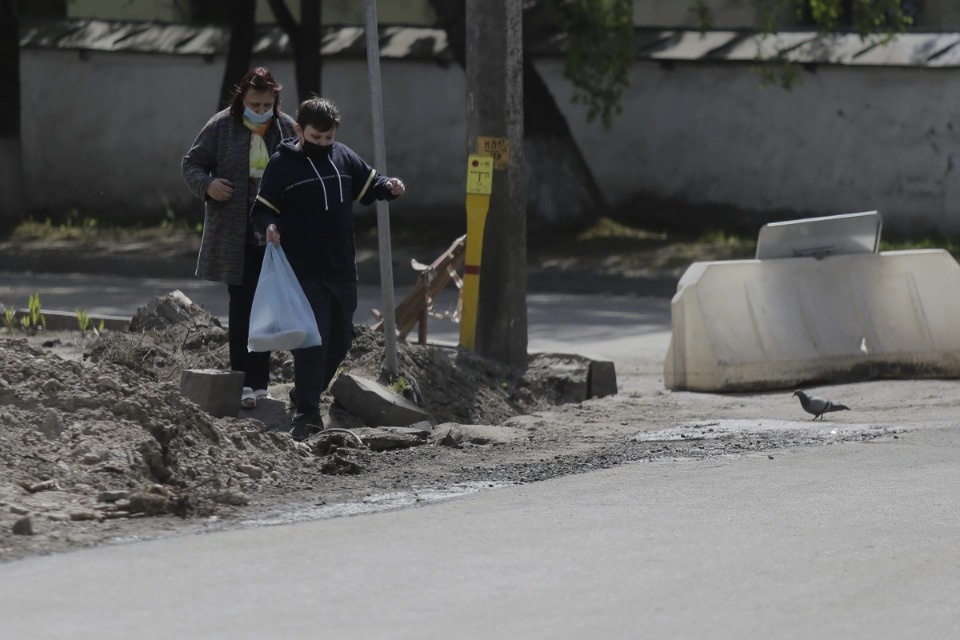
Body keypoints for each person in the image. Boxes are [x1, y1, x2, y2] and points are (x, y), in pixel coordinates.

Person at [251, 97, 406, 441]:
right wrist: (270, 227)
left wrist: (390, 186)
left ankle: (303, 393)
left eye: (328, 139)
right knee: (313, 341)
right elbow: (261, 210)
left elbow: (370, 183)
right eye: (315, 138)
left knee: (340, 339)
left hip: (342, 268)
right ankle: (306, 413)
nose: (322, 145)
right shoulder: (282, 164)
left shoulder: (343, 156)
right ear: (299, 130)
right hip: (303, 270)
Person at [181, 67, 297, 410]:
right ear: (241, 100)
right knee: (242, 306)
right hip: (234, 234)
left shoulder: (286, 127)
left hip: (274, 235)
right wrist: (208, 186)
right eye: (254, 104)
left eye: (266, 104)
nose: (261, 111)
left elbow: (302, 168)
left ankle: (260, 384)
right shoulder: (220, 126)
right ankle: (242, 381)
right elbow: (191, 164)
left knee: (268, 308)